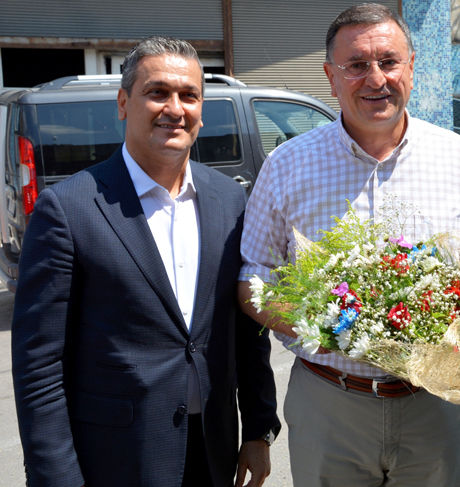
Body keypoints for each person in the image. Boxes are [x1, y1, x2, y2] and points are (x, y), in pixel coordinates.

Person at [238, 4, 460, 486]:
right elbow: (253, 275)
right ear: (331, 77)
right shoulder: (287, 165)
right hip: (329, 403)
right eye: (357, 65)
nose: (376, 78)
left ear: (411, 67)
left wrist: (454, 302)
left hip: (434, 402)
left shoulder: (456, 156)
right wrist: (319, 325)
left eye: (388, 61)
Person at [12, 36, 280, 487]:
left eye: (189, 95)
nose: (175, 108)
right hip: (116, 458)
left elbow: (247, 329)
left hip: (213, 451)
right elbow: (38, 366)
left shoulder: (231, 199)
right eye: (157, 92)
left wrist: (258, 428)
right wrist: (55, 476)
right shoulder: (68, 209)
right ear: (123, 103)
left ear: (201, 110)